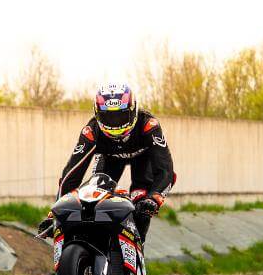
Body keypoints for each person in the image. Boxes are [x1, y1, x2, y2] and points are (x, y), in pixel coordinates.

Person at [38, 83, 175, 243]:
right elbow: (72, 173)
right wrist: (55, 215)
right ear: (97, 114)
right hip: (110, 158)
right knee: (92, 195)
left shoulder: (149, 125)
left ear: (133, 110)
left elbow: (166, 170)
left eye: (120, 116)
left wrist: (154, 198)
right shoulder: (91, 131)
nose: (115, 124)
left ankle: (138, 248)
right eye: (108, 117)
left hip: (143, 159)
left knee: (142, 203)